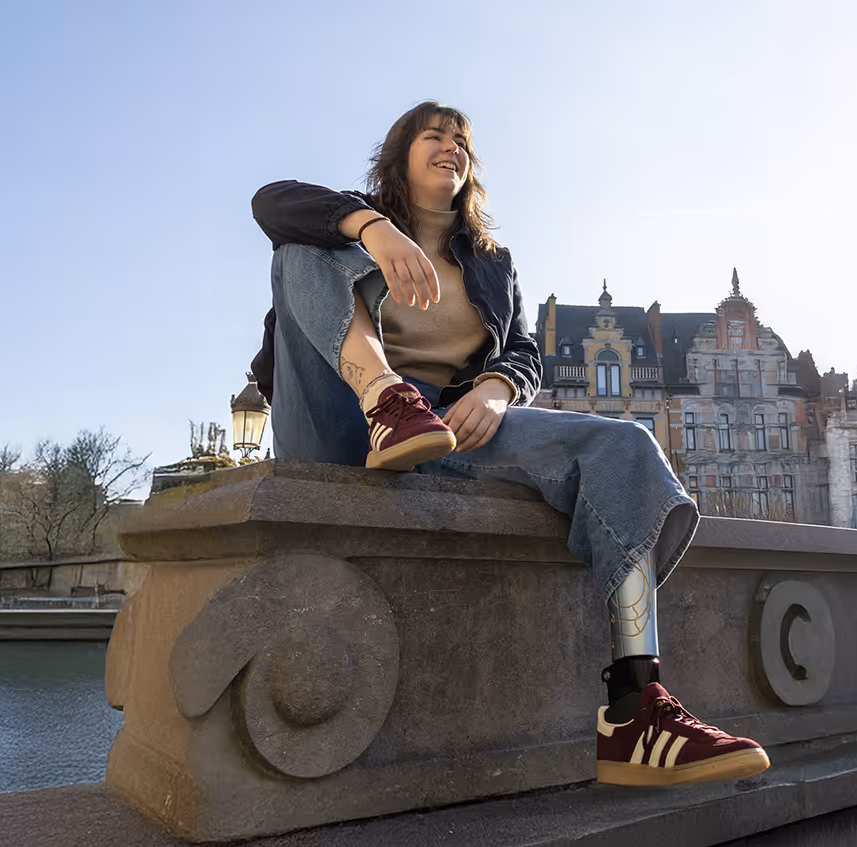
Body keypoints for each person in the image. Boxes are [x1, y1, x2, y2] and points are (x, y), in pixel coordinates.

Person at [249, 101, 769, 786]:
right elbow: (269, 202)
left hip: (441, 431)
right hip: (340, 416)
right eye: (433, 136)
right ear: (399, 155)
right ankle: (386, 396)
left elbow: (524, 351)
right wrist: (372, 228)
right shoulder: (343, 225)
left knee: (628, 447)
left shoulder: (494, 265)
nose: (450, 147)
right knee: (298, 250)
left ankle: (636, 712)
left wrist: (495, 388)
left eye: (460, 140)